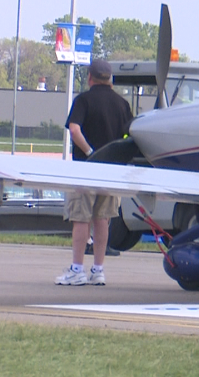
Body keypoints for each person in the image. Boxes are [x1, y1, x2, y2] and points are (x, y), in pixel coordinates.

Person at [55, 59, 133, 286]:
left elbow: (74, 128)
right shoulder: (122, 104)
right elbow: (129, 135)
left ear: (90, 78)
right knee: (102, 219)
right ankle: (98, 269)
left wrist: (89, 151)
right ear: (110, 79)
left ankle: (77, 268)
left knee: (81, 218)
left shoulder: (83, 100)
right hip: (110, 170)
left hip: (85, 169)